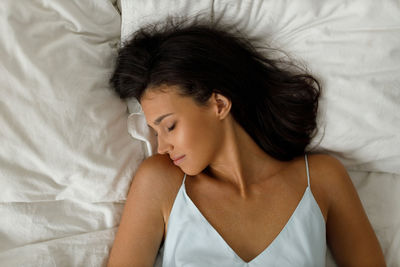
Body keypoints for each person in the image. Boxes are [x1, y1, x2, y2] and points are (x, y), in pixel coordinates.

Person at [106, 18, 385, 267]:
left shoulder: (323, 180)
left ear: (219, 104)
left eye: (169, 126)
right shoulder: (160, 181)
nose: (161, 147)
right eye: (155, 132)